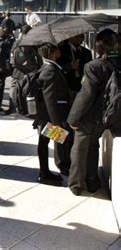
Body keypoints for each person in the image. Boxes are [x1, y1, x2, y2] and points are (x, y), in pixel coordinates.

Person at [67, 29, 120, 196]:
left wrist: (73, 118)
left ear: (98, 46)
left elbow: (86, 95)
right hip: (113, 116)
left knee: (80, 147)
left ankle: (76, 184)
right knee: (92, 145)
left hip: (93, 116)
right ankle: (92, 180)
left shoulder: (93, 66)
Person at [35, 43, 72, 184]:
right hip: (50, 116)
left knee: (44, 142)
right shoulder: (50, 71)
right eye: (57, 50)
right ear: (52, 54)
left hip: (48, 115)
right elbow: (50, 98)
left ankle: (44, 173)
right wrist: (57, 122)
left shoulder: (49, 67)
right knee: (46, 142)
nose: (59, 52)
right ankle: (44, 174)